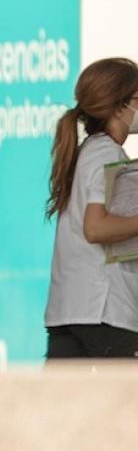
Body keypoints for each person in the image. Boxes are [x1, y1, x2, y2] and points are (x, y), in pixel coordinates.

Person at [43, 57, 138, 361]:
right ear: (120, 106)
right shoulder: (106, 154)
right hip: (104, 313)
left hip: (68, 313)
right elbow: (95, 227)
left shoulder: (87, 152)